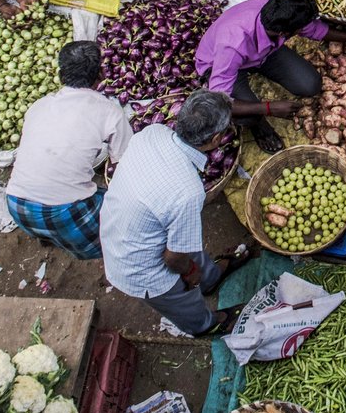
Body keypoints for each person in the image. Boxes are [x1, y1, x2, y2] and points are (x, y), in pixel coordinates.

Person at [99, 92, 248, 336]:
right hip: (138, 265)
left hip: (124, 225)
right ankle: (209, 323)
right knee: (183, 299)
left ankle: (211, 278)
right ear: (217, 139)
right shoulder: (188, 191)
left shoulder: (153, 132)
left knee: (187, 238)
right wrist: (191, 274)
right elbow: (174, 258)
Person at [194, 0, 346, 150]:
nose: (305, 29)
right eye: (300, 29)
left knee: (310, 85)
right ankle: (260, 129)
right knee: (246, 116)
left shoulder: (279, 9)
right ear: (284, 33)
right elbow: (219, 103)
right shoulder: (232, 45)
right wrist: (269, 108)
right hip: (220, 62)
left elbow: (317, 30)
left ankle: (260, 77)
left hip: (265, 52)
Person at [5, 42, 133, 259]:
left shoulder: (38, 106)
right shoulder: (110, 112)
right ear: (100, 75)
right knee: (119, 222)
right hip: (65, 211)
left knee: (52, 222)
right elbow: (125, 162)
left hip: (16, 204)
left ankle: (49, 237)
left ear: (59, 74)